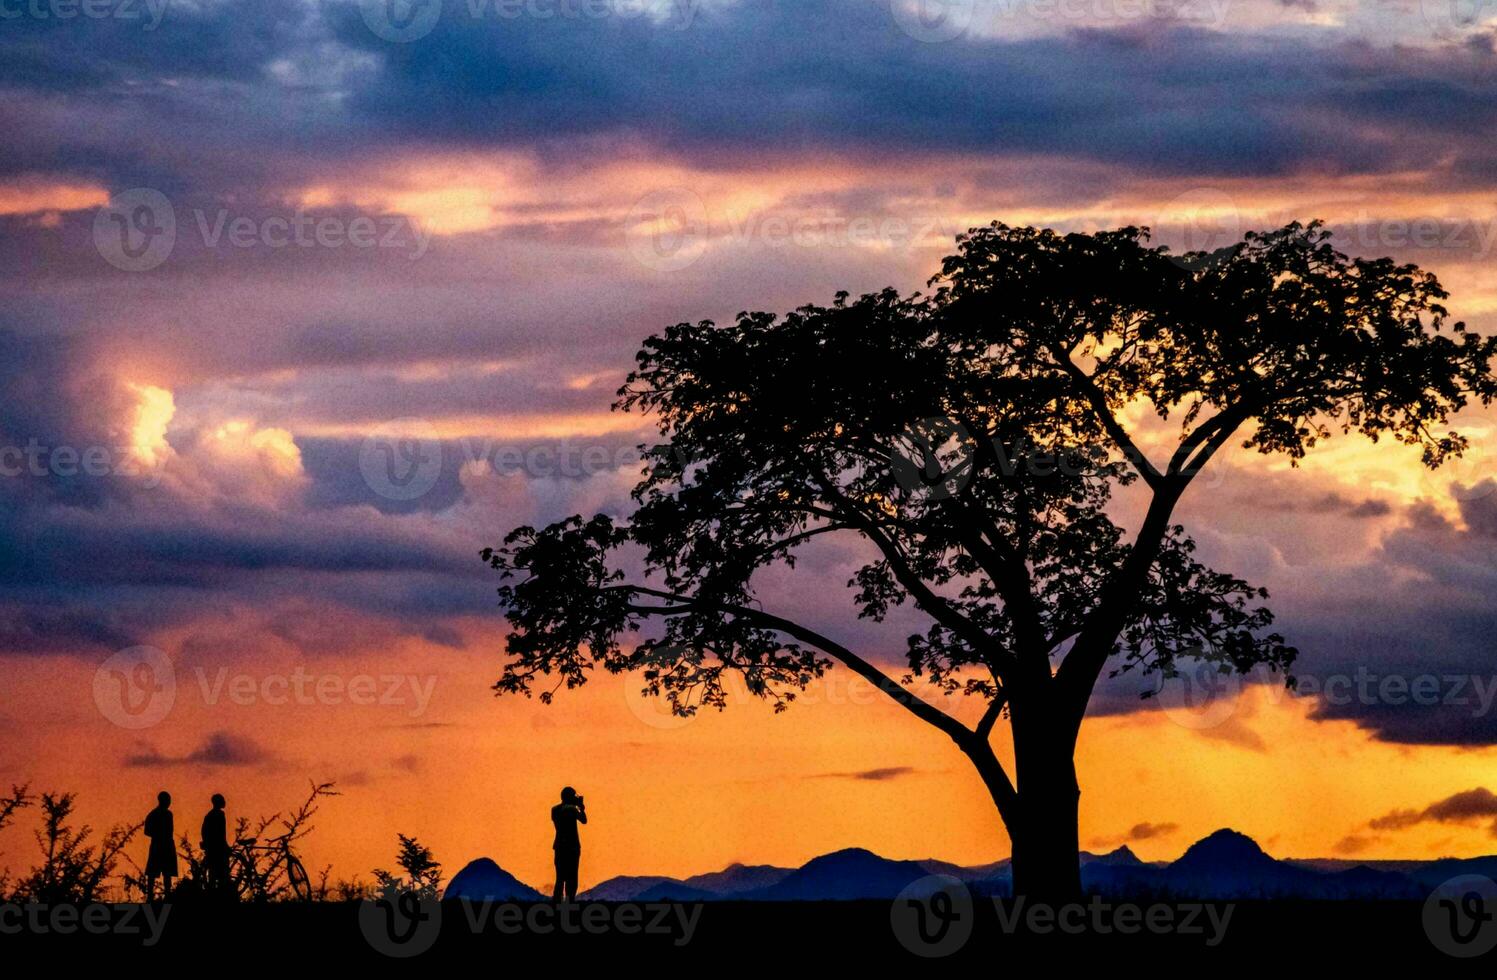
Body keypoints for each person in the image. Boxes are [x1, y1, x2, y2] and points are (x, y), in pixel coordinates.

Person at [550, 787, 587, 902]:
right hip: (572, 847)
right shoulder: (571, 809)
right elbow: (584, 820)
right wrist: (581, 807)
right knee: (572, 878)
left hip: (559, 847)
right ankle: (569, 904)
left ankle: (557, 904)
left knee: (560, 878)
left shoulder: (554, 809)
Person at [143, 791, 177, 901]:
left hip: (166, 845)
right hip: (159, 845)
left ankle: (167, 897)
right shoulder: (154, 814)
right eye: (168, 800)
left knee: (167, 873)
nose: (169, 802)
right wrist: (159, 834)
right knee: (153, 873)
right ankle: (150, 898)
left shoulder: (168, 814)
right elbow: (147, 831)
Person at [201, 793, 230, 895]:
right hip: (218, 847)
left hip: (211, 847)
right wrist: (225, 846)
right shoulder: (220, 815)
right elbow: (221, 833)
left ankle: (212, 892)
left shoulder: (209, 815)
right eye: (222, 800)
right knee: (223, 872)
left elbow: (204, 831)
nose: (224, 802)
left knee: (212, 873)